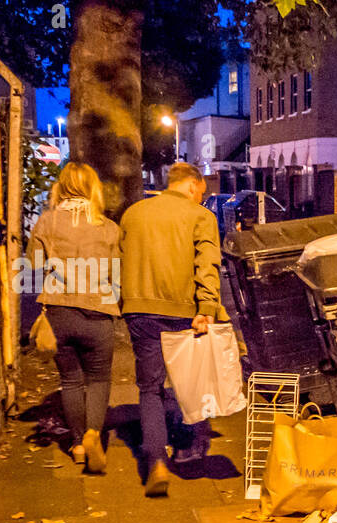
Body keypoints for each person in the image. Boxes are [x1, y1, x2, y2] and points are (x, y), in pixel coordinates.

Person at [119, 162, 221, 497]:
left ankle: (155, 461)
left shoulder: (133, 214)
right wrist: (207, 307)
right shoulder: (200, 216)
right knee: (185, 383)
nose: (201, 197)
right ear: (193, 185)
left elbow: (118, 261)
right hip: (182, 310)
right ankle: (187, 447)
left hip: (139, 311)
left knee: (149, 389)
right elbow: (207, 264)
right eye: (201, 192)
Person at [26, 162, 121, 473]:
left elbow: (33, 266)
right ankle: (95, 433)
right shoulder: (108, 227)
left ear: (61, 187)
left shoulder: (46, 223)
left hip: (59, 311)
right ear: (92, 188)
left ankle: (78, 443)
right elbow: (116, 275)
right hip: (98, 312)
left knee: (70, 380)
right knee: (98, 380)